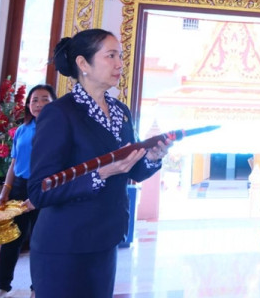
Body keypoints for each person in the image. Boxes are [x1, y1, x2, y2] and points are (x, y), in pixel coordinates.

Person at [27, 29, 171, 298]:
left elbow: (131, 169)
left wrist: (151, 157)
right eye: (111, 56)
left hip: (105, 239)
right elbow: (40, 190)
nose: (120, 64)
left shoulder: (120, 111)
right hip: (64, 245)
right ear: (83, 63)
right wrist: (100, 174)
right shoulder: (59, 113)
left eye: (121, 56)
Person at [0, 84, 57, 292]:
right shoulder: (22, 129)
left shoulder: (58, 129)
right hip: (20, 188)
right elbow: (14, 163)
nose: (39, 104)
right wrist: (5, 192)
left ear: (54, 103)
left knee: (41, 240)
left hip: (45, 188)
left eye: (45, 99)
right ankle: (2, 284)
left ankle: (37, 286)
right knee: (12, 237)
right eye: (34, 100)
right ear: (28, 104)